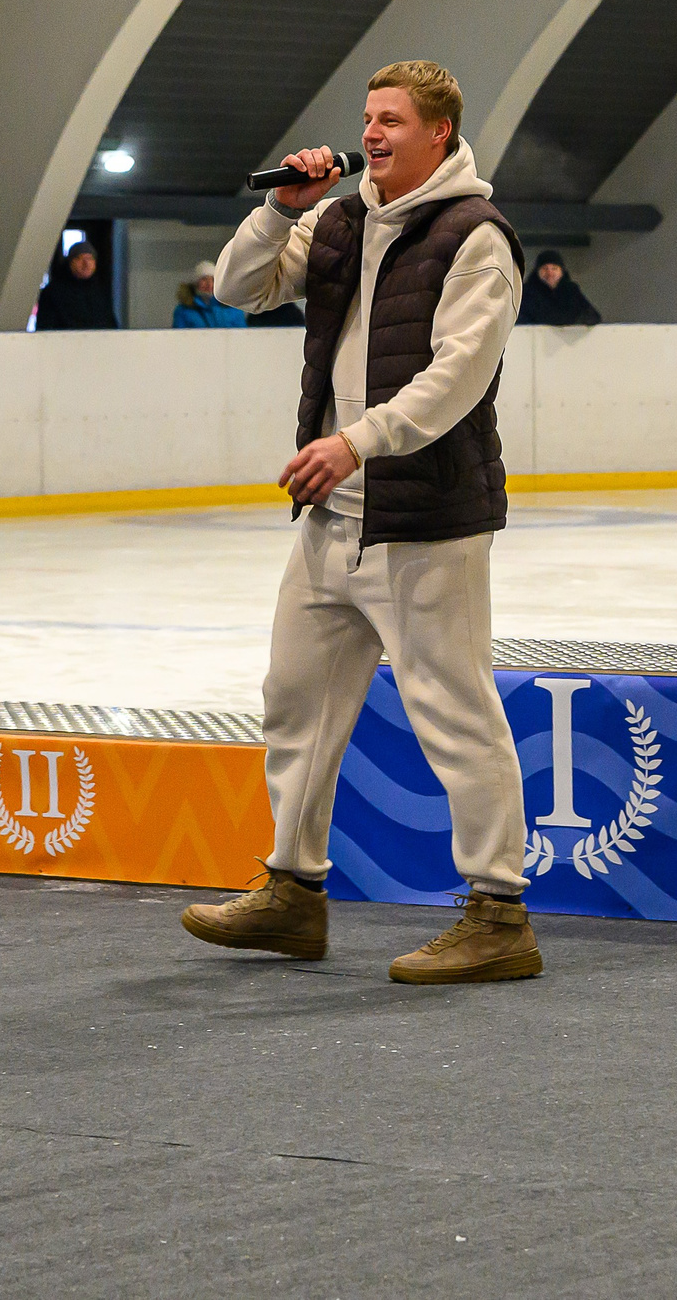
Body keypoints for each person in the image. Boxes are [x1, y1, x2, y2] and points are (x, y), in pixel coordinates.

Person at [182, 59, 540, 986]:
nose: (370, 133)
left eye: (390, 120)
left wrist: (358, 441)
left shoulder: (477, 237)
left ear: (438, 134)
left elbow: (457, 379)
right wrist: (280, 207)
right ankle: (293, 893)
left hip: (426, 520)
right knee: (295, 700)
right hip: (330, 519)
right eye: (366, 117)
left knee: (454, 710)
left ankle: (499, 912)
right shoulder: (338, 219)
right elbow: (235, 285)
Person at [35, 241, 117, 330]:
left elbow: (110, 323)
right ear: (70, 262)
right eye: (79, 258)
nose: (86, 264)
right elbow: (45, 327)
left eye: (90, 259)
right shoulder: (53, 293)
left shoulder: (101, 291)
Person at [517, 249, 602, 327]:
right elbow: (521, 319)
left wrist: (577, 323)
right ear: (537, 272)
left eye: (554, 268)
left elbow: (592, 316)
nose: (550, 273)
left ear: (562, 271)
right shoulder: (528, 292)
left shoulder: (571, 290)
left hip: (569, 341)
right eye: (545, 268)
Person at [173, 260, 248, 328]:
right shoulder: (183, 310)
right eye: (204, 279)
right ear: (195, 283)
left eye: (213, 279)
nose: (209, 284)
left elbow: (242, 336)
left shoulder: (232, 308)